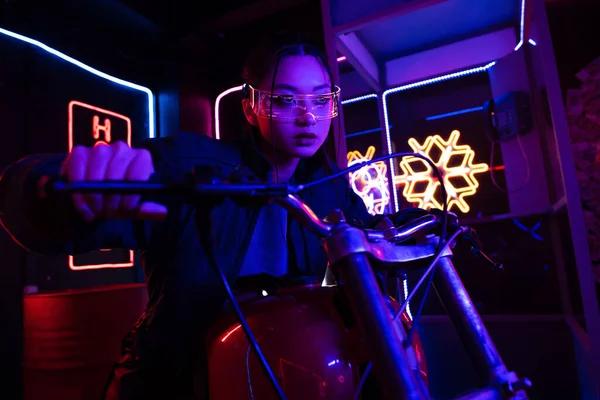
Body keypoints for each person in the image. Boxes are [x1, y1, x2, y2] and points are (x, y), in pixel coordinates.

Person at [0, 33, 374, 399]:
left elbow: (374, 229)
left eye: (321, 99)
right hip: (181, 379)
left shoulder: (330, 187)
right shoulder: (193, 165)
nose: (308, 116)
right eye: (286, 99)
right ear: (250, 107)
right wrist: (63, 188)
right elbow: (27, 201)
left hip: (283, 376)